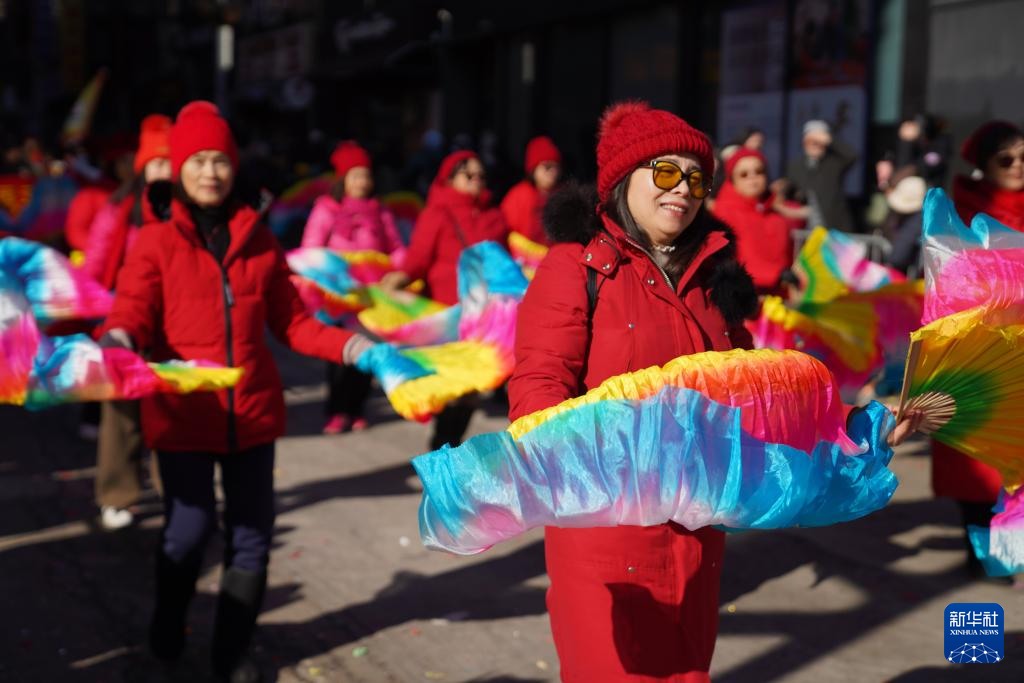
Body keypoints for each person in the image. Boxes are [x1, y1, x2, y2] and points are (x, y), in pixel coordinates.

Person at [100, 101, 373, 681]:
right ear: (179, 169)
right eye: (198, 160)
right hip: (183, 415)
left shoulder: (259, 238)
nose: (210, 172)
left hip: (252, 415)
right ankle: (169, 623)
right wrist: (119, 337)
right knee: (188, 531)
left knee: (251, 538)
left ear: (233, 166)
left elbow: (293, 323)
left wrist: (353, 347)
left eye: (220, 160)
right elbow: (132, 310)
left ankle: (230, 655)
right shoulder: (155, 242)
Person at [935, 120, 1024, 580]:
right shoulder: (960, 213)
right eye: (1006, 159)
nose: (1018, 166)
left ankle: (1010, 545)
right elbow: (949, 284)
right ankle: (987, 550)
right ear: (984, 164)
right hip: (980, 351)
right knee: (978, 464)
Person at [380, 150, 508, 449]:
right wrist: (397, 279)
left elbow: (504, 262)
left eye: (481, 175)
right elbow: (419, 258)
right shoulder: (438, 213)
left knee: (472, 388)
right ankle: (442, 445)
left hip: (482, 316)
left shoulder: (494, 215)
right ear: (449, 179)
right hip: (446, 315)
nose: (476, 180)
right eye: (469, 175)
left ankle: (449, 444)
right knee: (451, 386)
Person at [84, 114, 173, 530]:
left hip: (173, 327)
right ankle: (117, 495)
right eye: (158, 163)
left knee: (171, 413)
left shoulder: (188, 211)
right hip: (124, 324)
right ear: (142, 168)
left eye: (171, 163)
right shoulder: (118, 209)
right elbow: (96, 267)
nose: (165, 171)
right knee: (121, 416)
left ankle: (176, 492)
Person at [301, 141, 406, 434]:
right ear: (343, 179)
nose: (362, 182)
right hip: (337, 296)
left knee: (366, 354)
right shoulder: (326, 209)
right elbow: (312, 247)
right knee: (339, 355)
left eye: (366, 176)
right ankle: (336, 410)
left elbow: (396, 247)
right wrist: (329, 275)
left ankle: (357, 409)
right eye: (356, 175)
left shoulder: (380, 211)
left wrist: (399, 272)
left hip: (371, 296)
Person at [711, 148, 793, 296]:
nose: (753, 178)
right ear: (732, 179)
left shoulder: (776, 216)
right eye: (744, 174)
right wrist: (775, 274)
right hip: (741, 298)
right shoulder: (723, 213)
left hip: (776, 299)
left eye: (759, 171)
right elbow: (726, 263)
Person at [784, 119, 858, 231]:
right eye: (812, 141)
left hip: (834, 229)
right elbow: (788, 194)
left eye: (819, 142)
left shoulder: (834, 163)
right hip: (805, 230)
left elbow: (853, 156)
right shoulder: (795, 167)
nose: (815, 145)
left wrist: (829, 140)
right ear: (804, 141)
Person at [952, 120, 1024, 230]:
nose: (1018, 164)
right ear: (985, 166)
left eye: (1023, 156)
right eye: (1005, 160)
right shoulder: (964, 212)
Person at [500, 136, 562, 245]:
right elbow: (505, 232)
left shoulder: (563, 194)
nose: (552, 171)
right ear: (534, 169)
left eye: (556, 166)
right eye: (547, 167)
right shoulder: (518, 195)